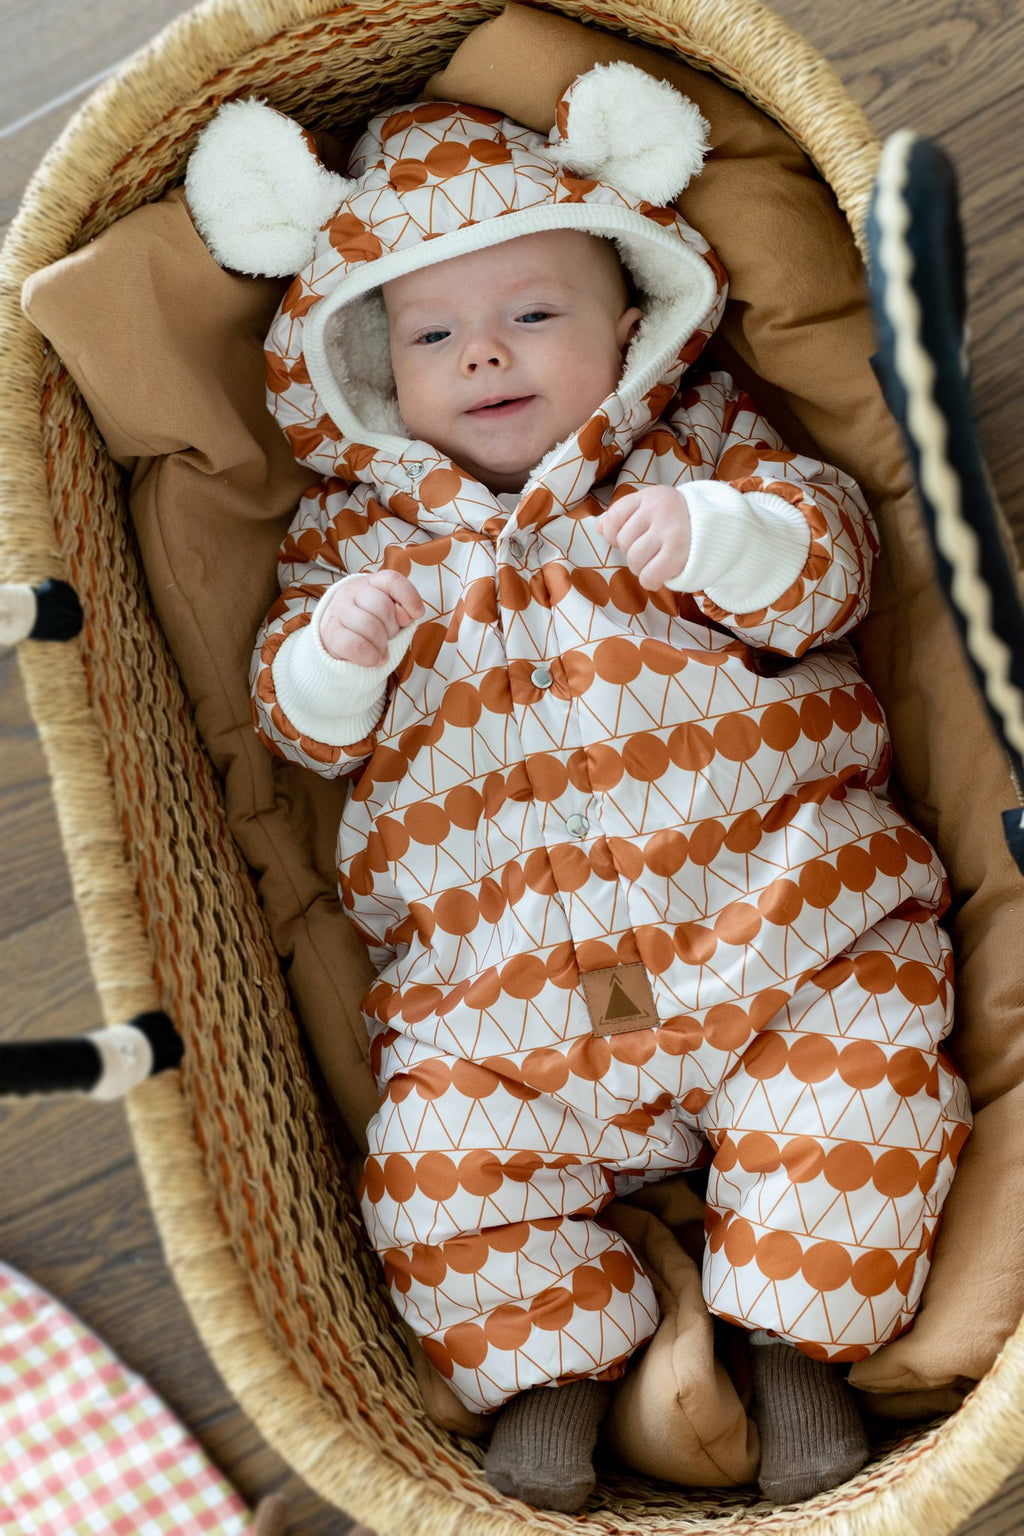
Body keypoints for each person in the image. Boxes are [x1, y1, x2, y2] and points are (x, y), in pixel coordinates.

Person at [190, 63, 971, 1509]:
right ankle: (549, 1386)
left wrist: (724, 540)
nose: (484, 355)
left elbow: (836, 560)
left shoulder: (695, 452)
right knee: (434, 1161)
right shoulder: (356, 547)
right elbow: (300, 735)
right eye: (434, 334)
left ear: (632, 322)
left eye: (532, 314)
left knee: (863, 1078)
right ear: (369, 373)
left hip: (779, 926)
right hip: (506, 1016)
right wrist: (336, 663)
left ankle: (793, 1352)